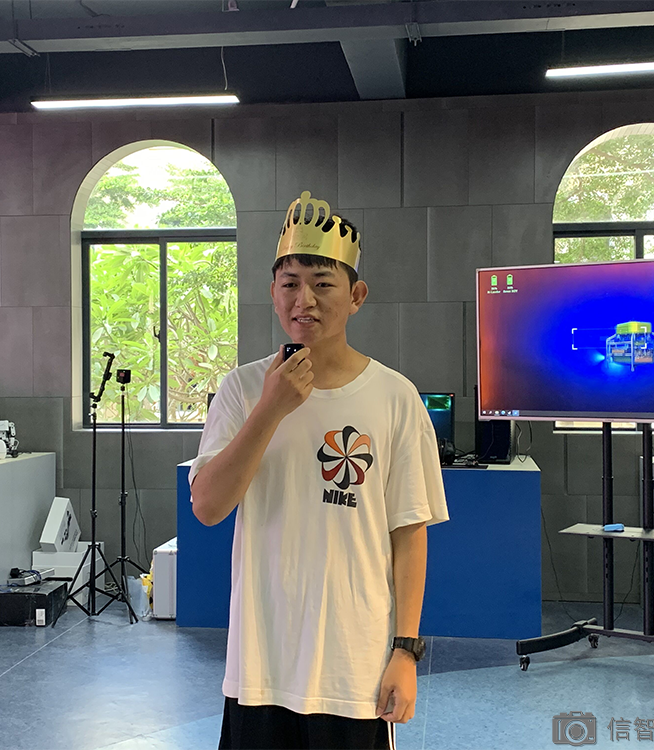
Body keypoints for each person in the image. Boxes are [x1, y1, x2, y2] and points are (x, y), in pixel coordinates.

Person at [189, 191, 449, 750]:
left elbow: (409, 534)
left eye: (322, 284)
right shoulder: (242, 390)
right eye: (290, 283)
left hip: (352, 670)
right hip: (260, 667)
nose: (303, 299)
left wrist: (405, 651)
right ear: (272, 293)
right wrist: (271, 408)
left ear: (356, 296)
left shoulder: (395, 397)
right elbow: (207, 507)